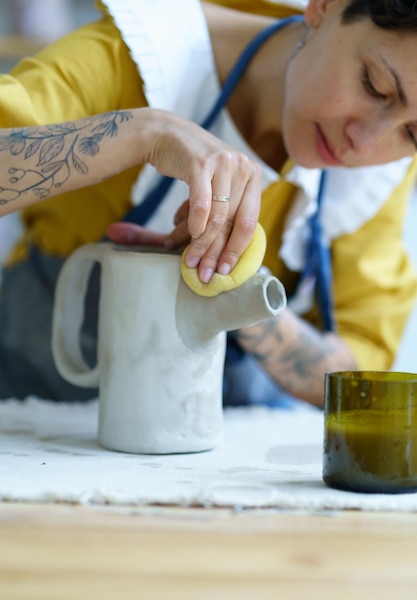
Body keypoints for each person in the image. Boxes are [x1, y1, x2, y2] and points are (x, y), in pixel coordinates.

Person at [0, 0, 417, 408]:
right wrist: (144, 133)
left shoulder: (376, 175)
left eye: (412, 135)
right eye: (373, 84)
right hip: (39, 415)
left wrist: (246, 302)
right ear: (324, 6)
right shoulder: (143, 55)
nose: (364, 142)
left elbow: (363, 375)